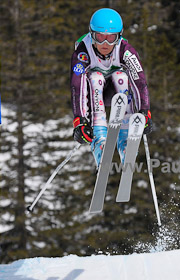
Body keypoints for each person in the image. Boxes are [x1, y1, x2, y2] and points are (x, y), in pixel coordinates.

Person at [70, 8, 152, 166]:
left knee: (120, 76)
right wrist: (80, 121)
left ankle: (125, 140)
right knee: (96, 77)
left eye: (111, 38)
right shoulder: (82, 52)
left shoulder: (126, 51)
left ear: (119, 36)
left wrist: (144, 111)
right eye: (100, 37)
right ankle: (99, 140)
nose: (105, 44)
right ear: (91, 35)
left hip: (118, 93)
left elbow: (139, 81)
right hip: (94, 94)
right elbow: (77, 86)